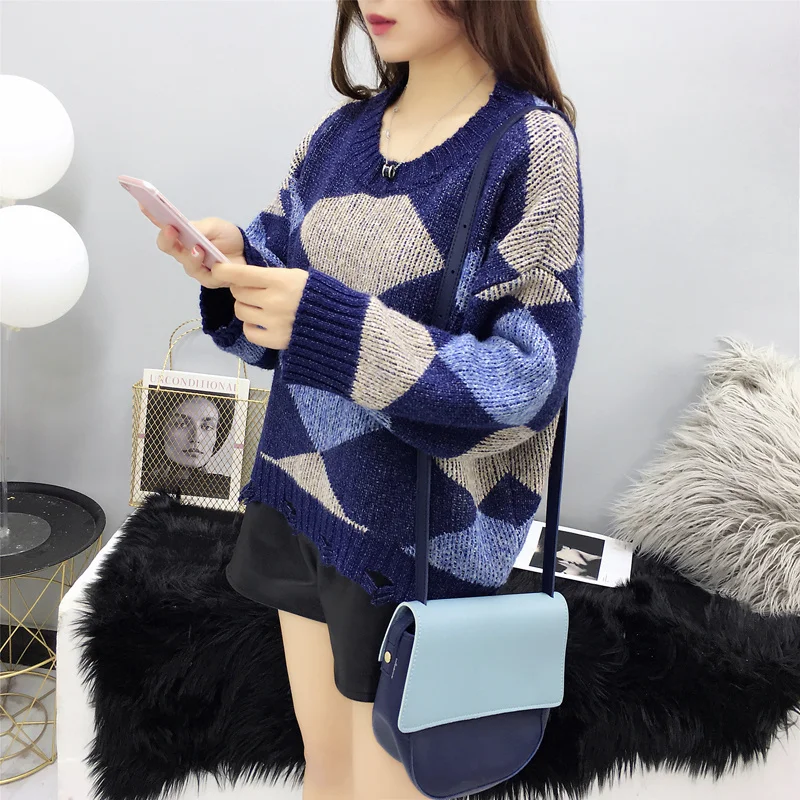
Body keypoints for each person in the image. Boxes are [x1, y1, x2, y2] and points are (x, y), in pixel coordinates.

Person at [140, 2, 584, 797]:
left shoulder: (530, 144)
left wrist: (328, 326)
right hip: (299, 498)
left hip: (417, 541)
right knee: (326, 773)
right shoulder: (342, 134)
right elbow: (283, 311)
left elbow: (527, 382)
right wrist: (236, 262)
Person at [141, 392, 233, 500]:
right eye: (181, 424)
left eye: (207, 427)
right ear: (160, 429)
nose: (196, 438)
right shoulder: (143, 482)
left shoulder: (225, 489)